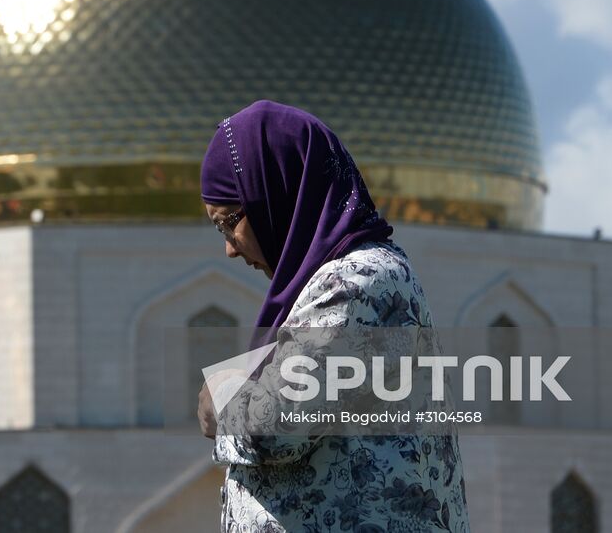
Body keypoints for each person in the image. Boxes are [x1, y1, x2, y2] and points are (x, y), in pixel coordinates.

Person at [196, 100, 469, 532]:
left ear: (278, 193)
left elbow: (277, 425)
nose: (229, 247)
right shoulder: (335, 283)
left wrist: (222, 396)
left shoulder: (358, 282)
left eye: (230, 221)